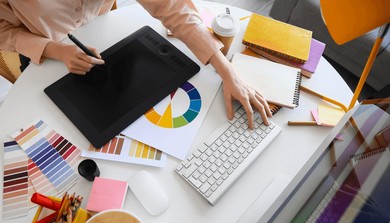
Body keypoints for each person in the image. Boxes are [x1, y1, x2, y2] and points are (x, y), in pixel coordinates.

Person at [0, 0, 272, 128]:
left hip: (110, 40)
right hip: (48, 57)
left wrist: (227, 70)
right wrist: (55, 49)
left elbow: (171, 7)